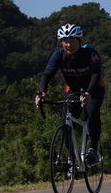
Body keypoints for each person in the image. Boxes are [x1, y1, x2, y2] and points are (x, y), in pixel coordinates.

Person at [35, 24, 105, 166]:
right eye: (65, 41)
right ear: (61, 42)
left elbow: (96, 74)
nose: (68, 44)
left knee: (92, 112)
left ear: (79, 40)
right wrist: (41, 92)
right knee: (66, 121)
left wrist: (88, 93)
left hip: (94, 88)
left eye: (72, 40)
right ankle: (72, 159)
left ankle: (93, 148)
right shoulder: (58, 55)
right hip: (73, 90)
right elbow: (47, 74)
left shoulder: (90, 53)